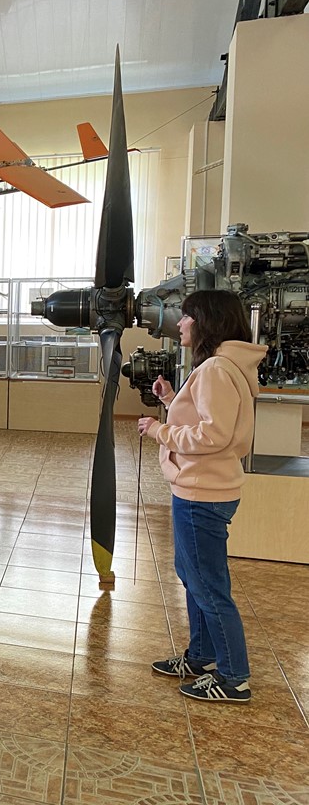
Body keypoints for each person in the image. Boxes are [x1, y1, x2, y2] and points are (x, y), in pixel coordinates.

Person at [138, 290, 267, 703]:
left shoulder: (215, 368)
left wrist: (159, 430)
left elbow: (213, 435)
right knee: (193, 576)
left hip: (202, 493)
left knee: (209, 586)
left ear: (206, 320)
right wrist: (170, 400)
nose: (179, 323)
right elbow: (211, 420)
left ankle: (233, 677)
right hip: (202, 488)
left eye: (187, 316)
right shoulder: (223, 366)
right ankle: (202, 655)